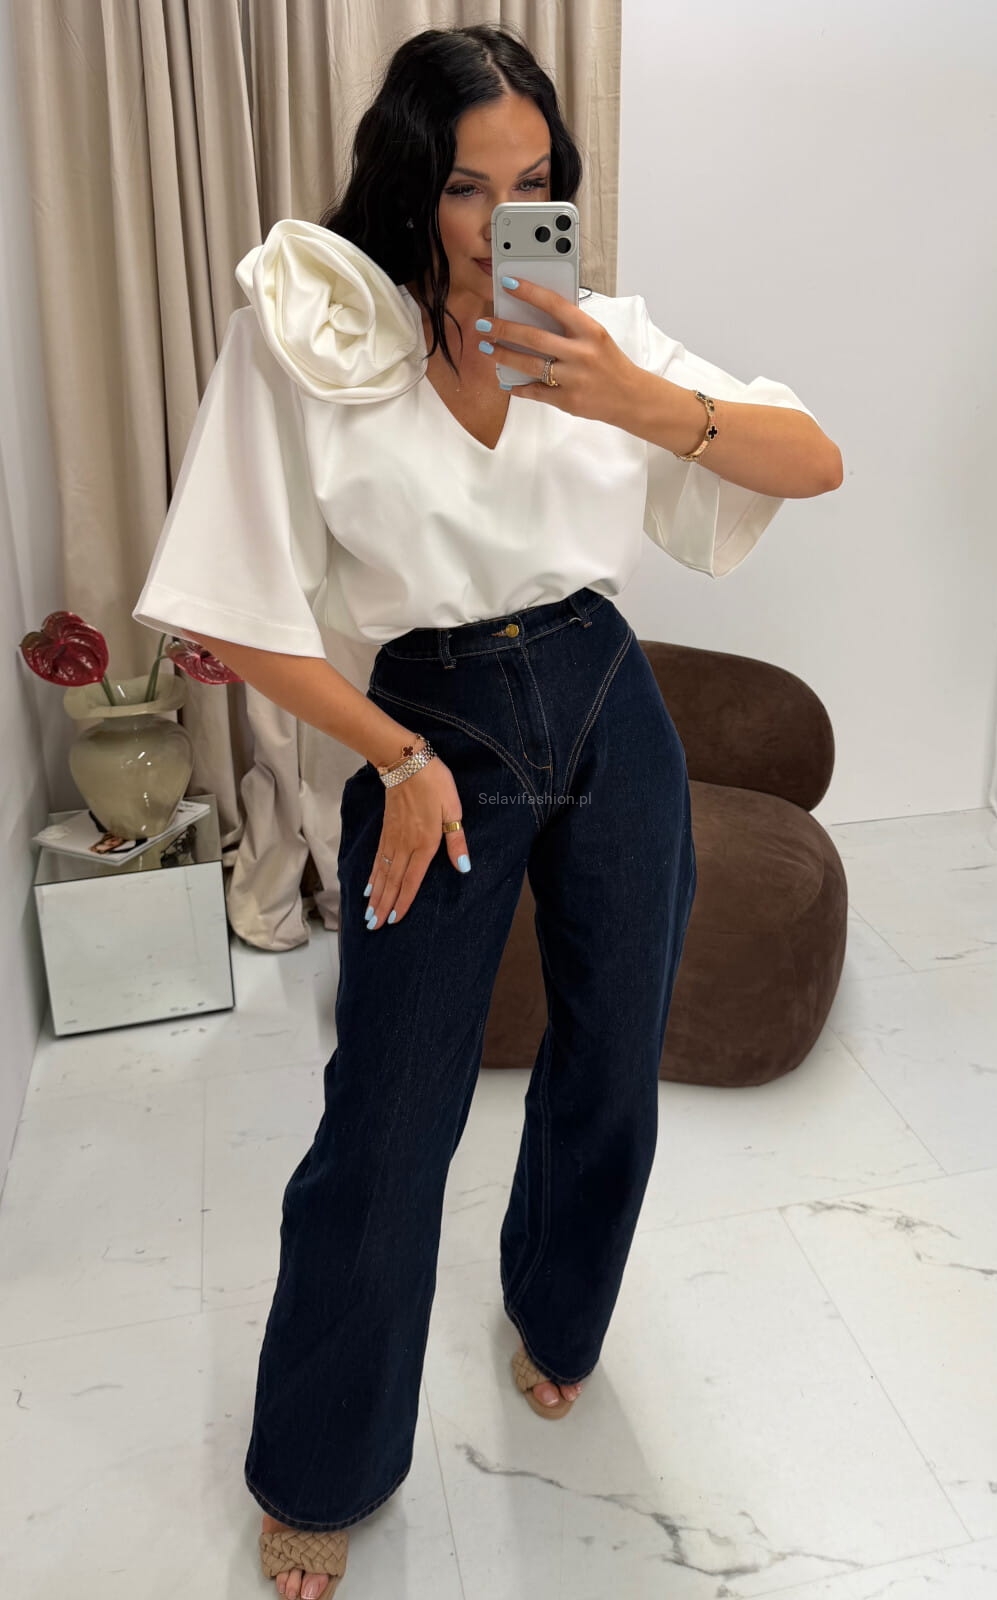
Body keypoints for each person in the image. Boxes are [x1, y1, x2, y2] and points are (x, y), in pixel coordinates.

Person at [132, 23, 842, 1600]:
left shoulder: (599, 334)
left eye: (533, 185)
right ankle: (320, 1465)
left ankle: (559, 1310)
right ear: (408, 180)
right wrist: (396, 759)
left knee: (614, 1047)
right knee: (388, 1107)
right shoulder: (313, 338)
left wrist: (641, 399)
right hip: (433, 715)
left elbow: (813, 460)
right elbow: (228, 609)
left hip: (606, 696)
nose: (499, 219)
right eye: (467, 186)